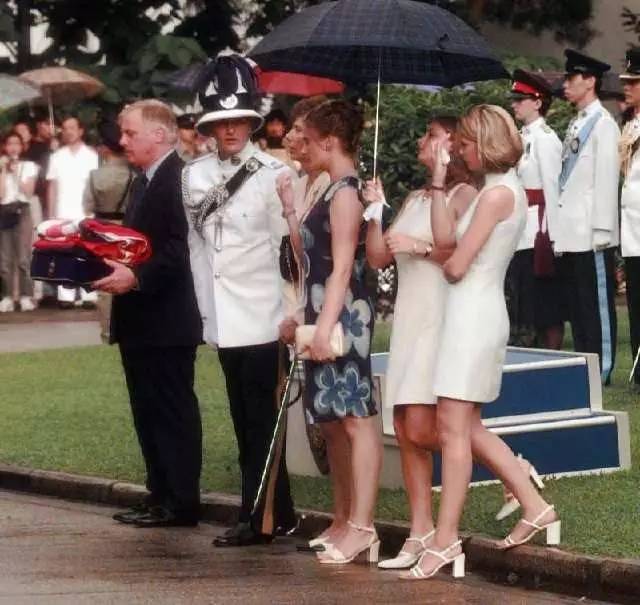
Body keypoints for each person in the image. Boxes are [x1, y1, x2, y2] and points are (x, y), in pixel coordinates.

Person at [408, 105, 559, 581]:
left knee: (454, 429)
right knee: (466, 426)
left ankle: (446, 536)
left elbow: (453, 263)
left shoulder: (497, 194)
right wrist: (436, 182)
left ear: (487, 143)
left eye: (466, 144)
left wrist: (434, 255)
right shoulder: (493, 191)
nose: (460, 151)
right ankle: (534, 504)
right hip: (467, 313)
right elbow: (445, 239)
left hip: (474, 315)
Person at [183, 54, 296, 546]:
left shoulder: (273, 173)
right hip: (226, 316)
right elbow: (199, 248)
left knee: (265, 420)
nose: (229, 130)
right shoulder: (194, 176)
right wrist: (204, 310)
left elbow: (285, 251)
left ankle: (260, 517)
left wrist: (292, 312)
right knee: (242, 417)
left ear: (251, 123)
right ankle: (275, 513)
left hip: (267, 312)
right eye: (220, 122)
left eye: (238, 122)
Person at [363, 116, 476, 570]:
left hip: (441, 316)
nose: (421, 140)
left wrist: (419, 244)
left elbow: (454, 252)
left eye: (430, 134)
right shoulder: (414, 198)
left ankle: (502, 466)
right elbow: (378, 256)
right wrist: (376, 210)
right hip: (409, 318)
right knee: (405, 427)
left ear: (452, 142)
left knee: (427, 427)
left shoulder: (465, 194)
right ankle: (419, 530)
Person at [280, 99, 382, 565]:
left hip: (344, 314)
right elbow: (309, 257)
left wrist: (324, 326)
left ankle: (363, 525)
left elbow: (343, 267)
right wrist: (288, 211)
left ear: (329, 140)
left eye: (308, 136)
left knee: (356, 419)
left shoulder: (345, 192)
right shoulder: (325, 188)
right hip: (322, 308)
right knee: (332, 422)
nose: (300, 144)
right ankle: (343, 518)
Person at [93, 99, 203, 528]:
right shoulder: (142, 180)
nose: (123, 141)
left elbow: (179, 249)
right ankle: (159, 493)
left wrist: (136, 278)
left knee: (172, 409)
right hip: (139, 319)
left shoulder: (180, 178)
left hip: (169, 318)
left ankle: (181, 500)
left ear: (159, 134)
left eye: (130, 133)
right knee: (145, 409)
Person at [556, 50, 620, 385]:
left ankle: (603, 367)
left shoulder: (604, 124)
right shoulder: (578, 121)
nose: (566, 85)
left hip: (591, 231)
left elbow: (607, 180)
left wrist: (602, 229)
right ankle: (584, 365)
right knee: (578, 307)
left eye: (572, 78)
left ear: (590, 81)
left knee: (596, 306)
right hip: (571, 230)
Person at [508, 70, 565, 350]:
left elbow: (553, 191)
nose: (514, 104)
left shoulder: (546, 139)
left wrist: (554, 238)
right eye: (514, 99)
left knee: (545, 304)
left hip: (540, 230)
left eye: (521, 99)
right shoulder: (522, 137)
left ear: (538, 102)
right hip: (522, 227)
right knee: (526, 302)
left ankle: (550, 356)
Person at [83, 120, 134, 342]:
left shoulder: (95, 175)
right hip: (127, 230)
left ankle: (107, 330)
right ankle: (127, 327)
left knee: (104, 283)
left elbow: (88, 205)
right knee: (128, 278)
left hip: (102, 229)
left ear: (104, 149)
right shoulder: (132, 175)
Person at [46, 116, 99, 308]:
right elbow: (52, 186)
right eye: (65, 128)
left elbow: (96, 185)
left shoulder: (92, 156)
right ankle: (66, 296)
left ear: (80, 131)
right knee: (64, 254)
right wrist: (51, 215)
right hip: (63, 210)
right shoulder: (56, 156)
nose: (68, 132)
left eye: (72, 128)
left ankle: (88, 295)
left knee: (87, 253)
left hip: (87, 211)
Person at [619, 48, 640, 386]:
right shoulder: (632, 126)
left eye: (634, 82)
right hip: (633, 228)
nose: (627, 87)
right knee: (636, 301)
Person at [0, 132, 38, 313]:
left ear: (22, 147)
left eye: (17, 143)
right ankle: (7, 296)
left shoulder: (29, 166)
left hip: (22, 210)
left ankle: (25, 295)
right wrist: (3, 171)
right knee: (5, 258)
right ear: (5, 147)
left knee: (23, 257)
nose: (13, 147)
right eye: (10, 143)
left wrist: (15, 174)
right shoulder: (1, 165)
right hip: (3, 211)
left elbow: (29, 192)